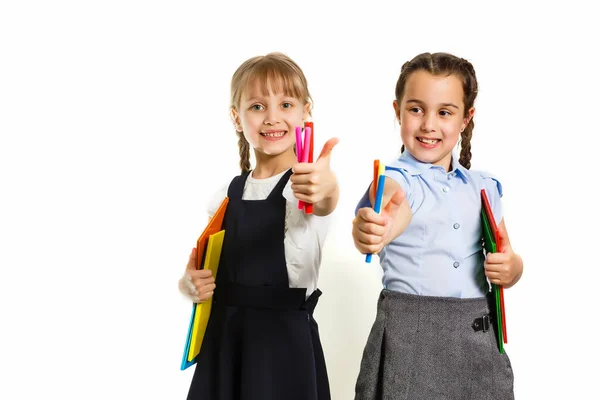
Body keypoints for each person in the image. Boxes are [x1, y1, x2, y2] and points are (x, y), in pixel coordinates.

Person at [352, 52, 523, 400]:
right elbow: (386, 209)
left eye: (444, 112)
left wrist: (512, 268)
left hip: (478, 343)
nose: (429, 124)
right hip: (410, 342)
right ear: (397, 110)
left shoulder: (484, 186)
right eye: (416, 109)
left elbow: (508, 256)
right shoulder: (397, 181)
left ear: (465, 118)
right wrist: (372, 228)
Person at [179, 52, 339, 400]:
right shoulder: (226, 194)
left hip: (285, 351)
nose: (272, 118)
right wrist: (190, 285)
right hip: (225, 345)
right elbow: (203, 268)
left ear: (305, 111)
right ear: (237, 117)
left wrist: (325, 186)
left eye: (285, 104)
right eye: (257, 107)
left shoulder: (307, 186)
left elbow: (325, 199)